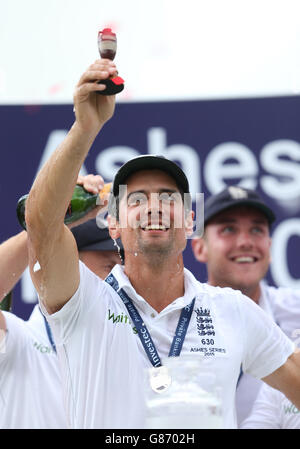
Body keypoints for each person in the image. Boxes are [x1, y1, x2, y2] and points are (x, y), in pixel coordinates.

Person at [24, 57, 300, 430]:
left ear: (189, 221)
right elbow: (41, 225)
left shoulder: (233, 310)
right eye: (136, 200)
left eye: (169, 198)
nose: (154, 206)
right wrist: (85, 127)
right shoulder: (81, 300)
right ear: (115, 225)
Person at [0, 177, 122, 428]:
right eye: (109, 266)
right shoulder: (19, 341)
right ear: (65, 261)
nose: (120, 278)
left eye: (125, 265)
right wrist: (46, 223)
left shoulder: (127, 344)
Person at [191, 185, 300, 426]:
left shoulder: (297, 311)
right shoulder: (178, 317)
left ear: (270, 248)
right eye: (229, 229)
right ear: (200, 247)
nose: (245, 242)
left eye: (256, 230)